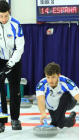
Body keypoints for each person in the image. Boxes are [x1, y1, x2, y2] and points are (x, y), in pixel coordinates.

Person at [36, 62, 79, 128]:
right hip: (51, 105)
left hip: (67, 102)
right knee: (60, 124)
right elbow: (40, 100)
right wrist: (43, 113)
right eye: (48, 77)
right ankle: (71, 119)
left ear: (58, 75)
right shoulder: (42, 84)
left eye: (53, 77)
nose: (50, 80)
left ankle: (55, 123)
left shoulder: (66, 82)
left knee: (66, 95)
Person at [0, 1, 24, 132]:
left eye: (5, 15)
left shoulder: (16, 24)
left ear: (9, 11)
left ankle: (15, 118)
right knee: (0, 92)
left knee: (15, 90)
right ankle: (1, 120)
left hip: (14, 61)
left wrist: (10, 64)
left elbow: (20, 48)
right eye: (1, 16)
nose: (4, 19)